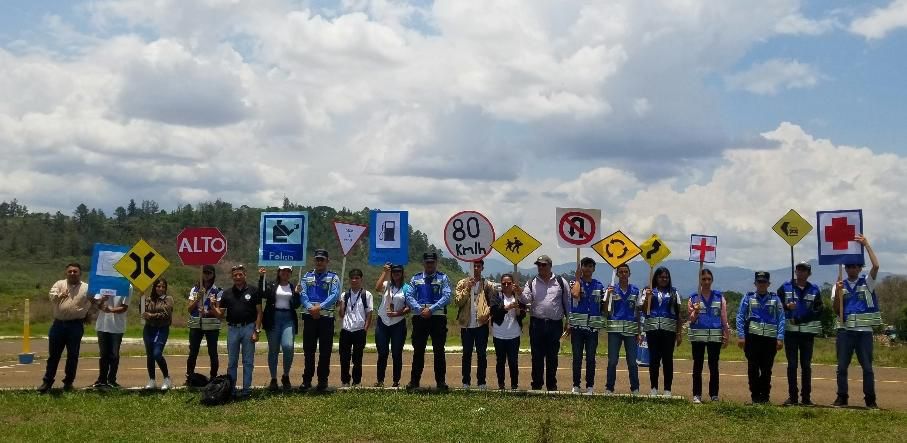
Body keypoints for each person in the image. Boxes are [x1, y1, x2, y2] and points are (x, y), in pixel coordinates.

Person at [833, 234, 881, 409]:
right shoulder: (839, 284)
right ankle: (842, 397)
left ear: (860, 268)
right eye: (849, 266)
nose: (852, 269)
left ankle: (870, 399)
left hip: (864, 333)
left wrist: (867, 244)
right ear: (845, 268)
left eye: (855, 266)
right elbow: (835, 309)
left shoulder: (868, 283)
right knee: (842, 367)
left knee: (867, 368)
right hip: (845, 332)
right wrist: (838, 294)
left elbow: (876, 265)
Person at [39, 263, 98, 393]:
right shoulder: (59, 284)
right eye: (70, 271)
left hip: (75, 326)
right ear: (66, 273)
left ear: (80, 273)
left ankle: (68, 383)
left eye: (75, 271)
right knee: (53, 356)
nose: (72, 273)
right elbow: (51, 297)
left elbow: (95, 302)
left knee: (73, 356)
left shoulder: (87, 288)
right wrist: (60, 295)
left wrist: (89, 314)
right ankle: (47, 382)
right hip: (58, 325)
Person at [519, 255, 570, 392]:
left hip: (555, 324)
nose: (541, 267)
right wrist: (518, 292)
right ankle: (536, 385)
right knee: (536, 356)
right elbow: (525, 299)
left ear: (550, 266)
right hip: (537, 324)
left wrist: (569, 320)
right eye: (539, 265)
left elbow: (567, 302)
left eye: (543, 265)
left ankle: (551, 385)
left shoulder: (561, 281)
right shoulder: (531, 282)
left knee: (552, 356)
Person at [212, 264, 263, 398]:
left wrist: (256, 331)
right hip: (233, 329)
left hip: (249, 328)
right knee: (232, 362)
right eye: (235, 275)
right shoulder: (227, 293)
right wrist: (212, 306)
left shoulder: (253, 291)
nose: (238, 277)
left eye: (240, 274)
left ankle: (246, 390)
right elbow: (220, 315)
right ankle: (232, 390)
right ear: (232, 277)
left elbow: (259, 312)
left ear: (245, 275)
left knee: (248, 361)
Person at [405, 252, 452, 391]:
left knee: (439, 351)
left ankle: (441, 382)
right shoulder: (415, 278)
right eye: (427, 262)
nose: (430, 265)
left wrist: (431, 309)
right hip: (420, 317)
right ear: (423, 263)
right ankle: (414, 382)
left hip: (437, 318)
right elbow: (409, 296)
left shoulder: (443, 278)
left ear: (436, 263)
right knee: (418, 351)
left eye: (432, 262)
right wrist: (420, 309)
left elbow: (447, 296)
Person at [736, 272, 785, 404]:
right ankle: (755, 396)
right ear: (755, 283)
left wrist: (780, 338)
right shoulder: (748, 298)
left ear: (768, 284)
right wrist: (741, 336)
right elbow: (740, 317)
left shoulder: (775, 299)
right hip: (752, 340)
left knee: (766, 370)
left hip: (769, 340)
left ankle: (765, 396)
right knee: (753, 369)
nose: (761, 284)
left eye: (764, 282)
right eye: (759, 282)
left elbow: (781, 319)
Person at [778, 261, 823, 406]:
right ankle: (793, 397)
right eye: (799, 269)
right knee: (792, 365)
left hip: (807, 335)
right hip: (790, 334)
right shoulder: (785, 288)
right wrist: (786, 306)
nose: (801, 272)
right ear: (795, 271)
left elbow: (818, 310)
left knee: (806, 366)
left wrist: (801, 319)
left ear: (809, 273)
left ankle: (806, 398)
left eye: (804, 270)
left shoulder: (815, 289)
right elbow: (776, 306)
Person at [299, 248, 341, 391]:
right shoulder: (306, 276)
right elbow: (302, 294)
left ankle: (323, 380)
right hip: (310, 317)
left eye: (322, 259)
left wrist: (320, 308)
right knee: (308, 351)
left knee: (325, 352)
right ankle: (307, 380)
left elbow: (335, 295)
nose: (319, 262)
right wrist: (311, 308)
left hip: (326, 318)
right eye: (317, 259)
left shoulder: (333, 277)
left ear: (327, 261)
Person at [687, 268, 730, 404]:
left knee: (714, 367)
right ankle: (697, 394)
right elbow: (691, 320)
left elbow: (724, 318)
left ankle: (714, 395)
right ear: (699, 280)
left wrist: (726, 335)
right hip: (698, 338)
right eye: (703, 279)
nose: (706, 282)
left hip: (715, 338)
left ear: (712, 280)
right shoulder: (693, 298)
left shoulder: (719, 297)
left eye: (708, 279)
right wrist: (695, 311)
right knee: (697, 366)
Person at [641, 266, 682, 397]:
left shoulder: (674, 293)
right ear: (656, 278)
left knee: (667, 360)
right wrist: (647, 298)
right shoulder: (648, 291)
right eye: (661, 277)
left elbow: (678, 314)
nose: (664, 279)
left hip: (669, 331)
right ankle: (653, 388)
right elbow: (642, 310)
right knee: (654, 360)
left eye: (666, 277)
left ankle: (667, 390)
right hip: (652, 330)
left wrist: (679, 333)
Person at [259, 265, 301, 391]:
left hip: (288, 319)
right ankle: (273, 379)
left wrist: (297, 294)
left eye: (288, 271)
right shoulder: (271, 285)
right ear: (279, 272)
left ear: (291, 273)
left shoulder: (293, 287)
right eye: (283, 271)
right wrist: (262, 277)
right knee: (274, 349)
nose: (285, 273)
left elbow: (297, 305)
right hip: (273, 318)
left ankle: (286, 375)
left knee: (288, 346)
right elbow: (262, 293)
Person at [454, 259, 494, 389]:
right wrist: (467, 288)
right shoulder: (462, 283)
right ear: (470, 267)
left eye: (478, 266)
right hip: (467, 325)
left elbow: (493, 303)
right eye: (474, 266)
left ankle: (481, 382)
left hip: (481, 325)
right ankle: (466, 382)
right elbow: (458, 302)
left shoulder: (487, 285)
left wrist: (488, 315)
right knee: (466, 354)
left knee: (482, 354)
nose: (476, 268)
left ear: (482, 268)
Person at [568, 257, 605, 394]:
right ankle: (576, 385)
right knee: (577, 357)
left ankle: (590, 386)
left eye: (590, 266)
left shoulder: (599, 285)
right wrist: (578, 278)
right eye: (585, 266)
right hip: (577, 327)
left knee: (591, 358)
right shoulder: (574, 282)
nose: (588, 268)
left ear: (594, 269)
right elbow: (575, 294)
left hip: (592, 328)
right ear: (581, 268)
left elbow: (603, 306)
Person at [604, 263, 642, 395]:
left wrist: (639, 332)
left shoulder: (636, 290)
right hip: (614, 330)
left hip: (631, 332)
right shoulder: (611, 289)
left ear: (629, 274)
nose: (624, 274)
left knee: (632, 361)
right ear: (617, 274)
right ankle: (609, 388)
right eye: (621, 272)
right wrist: (608, 296)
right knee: (612, 360)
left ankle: (635, 388)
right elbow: (605, 310)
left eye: (626, 272)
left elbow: (638, 312)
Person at [373, 263, 411, 388]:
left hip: (398, 324)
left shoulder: (407, 288)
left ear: (402, 273)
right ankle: (380, 380)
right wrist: (384, 272)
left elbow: (408, 307)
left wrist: (396, 313)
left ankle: (396, 381)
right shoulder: (386, 285)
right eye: (394, 272)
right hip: (383, 323)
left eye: (398, 272)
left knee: (396, 353)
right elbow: (377, 288)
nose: (396, 274)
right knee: (382, 353)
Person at [186, 264, 222, 386]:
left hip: (211, 324)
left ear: (213, 275)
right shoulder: (195, 289)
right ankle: (189, 377)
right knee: (193, 351)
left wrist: (207, 311)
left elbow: (219, 312)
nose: (207, 275)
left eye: (209, 273)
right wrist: (197, 299)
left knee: (212, 351)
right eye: (205, 272)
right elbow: (189, 309)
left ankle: (213, 377)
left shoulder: (218, 291)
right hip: (196, 323)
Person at [338, 269, 373, 387]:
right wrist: (341, 305)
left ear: (361, 279)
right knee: (344, 358)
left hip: (359, 331)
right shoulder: (344, 295)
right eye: (352, 278)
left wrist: (365, 329)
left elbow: (369, 314)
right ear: (349, 279)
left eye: (357, 278)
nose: (354, 280)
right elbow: (341, 315)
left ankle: (356, 381)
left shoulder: (366, 295)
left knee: (357, 359)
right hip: (346, 330)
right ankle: (345, 381)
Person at [490, 273, 525, 391]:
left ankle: (514, 385)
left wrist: (518, 309)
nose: (506, 285)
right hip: (499, 333)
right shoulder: (496, 295)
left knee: (513, 361)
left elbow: (522, 314)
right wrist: (507, 307)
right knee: (500, 361)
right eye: (503, 283)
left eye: (508, 283)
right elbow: (494, 311)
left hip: (514, 334)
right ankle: (501, 385)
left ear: (512, 284)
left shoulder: (517, 296)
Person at [92, 287, 130, 389]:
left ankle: (112, 380)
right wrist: (102, 300)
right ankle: (102, 379)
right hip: (102, 325)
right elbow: (97, 304)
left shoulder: (127, 286)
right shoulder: (104, 284)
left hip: (116, 327)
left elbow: (124, 307)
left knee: (114, 355)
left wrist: (111, 310)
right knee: (103, 354)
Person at [143, 278, 174, 390]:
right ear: (154, 287)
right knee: (150, 355)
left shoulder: (168, 299)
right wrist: (142, 300)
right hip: (148, 329)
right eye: (158, 286)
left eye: (163, 287)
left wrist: (151, 316)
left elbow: (166, 314)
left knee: (157, 353)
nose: (160, 289)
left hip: (161, 329)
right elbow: (142, 312)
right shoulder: (148, 299)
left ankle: (167, 378)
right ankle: (152, 380)